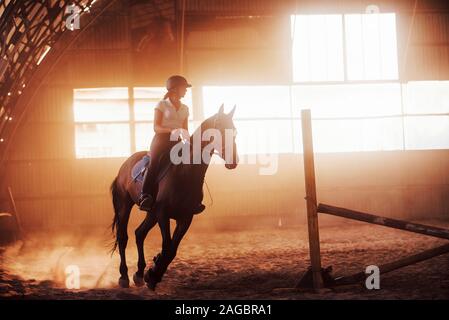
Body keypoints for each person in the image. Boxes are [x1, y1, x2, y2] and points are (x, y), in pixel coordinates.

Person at [138, 75, 205, 214]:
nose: (186, 90)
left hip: (177, 141)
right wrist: (171, 130)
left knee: (192, 164)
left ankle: (192, 199)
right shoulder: (161, 105)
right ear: (175, 89)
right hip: (161, 140)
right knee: (154, 164)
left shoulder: (185, 108)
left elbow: (185, 129)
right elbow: (156, 127)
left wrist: (190, 143)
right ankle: (145, 195)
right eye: (184, 88)